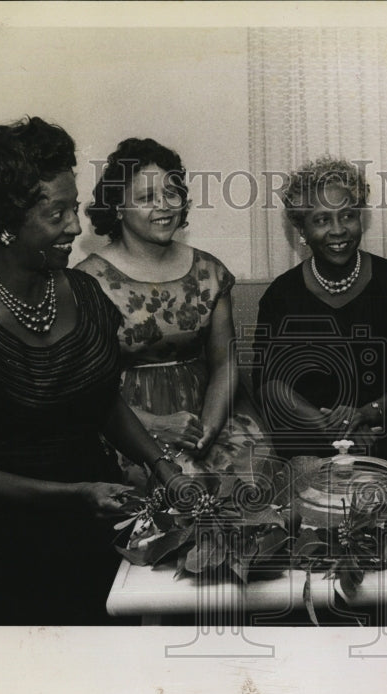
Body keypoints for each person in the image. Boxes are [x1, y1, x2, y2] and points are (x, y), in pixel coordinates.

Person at [0, 118, 185, 625]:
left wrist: (160, 463)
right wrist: (73, 496)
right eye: (55, 213)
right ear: (6, 222)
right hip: (4, 546)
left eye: (73, 208)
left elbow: (100, 399)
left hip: (93, 524)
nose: (76, 227)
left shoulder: (83, 293)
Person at [77, 138, 265, 481]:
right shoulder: (88, 281)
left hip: (208, 411)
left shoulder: (210, 271)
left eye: (172, 193)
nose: (164, 206)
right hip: (125, 424)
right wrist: (156, 426)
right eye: (147, 197)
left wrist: (207, 429)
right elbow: (84, 388)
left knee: (250, 474)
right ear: (118, 206)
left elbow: (225, 362)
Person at [252, 157, 387, 459]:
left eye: (348, 216)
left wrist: (367, 413)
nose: (338, 230)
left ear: (360, 219)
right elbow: (268, 384)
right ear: (301, 229)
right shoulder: (281, 296)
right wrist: (332, 427)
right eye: (322, 220)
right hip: (312, 434)